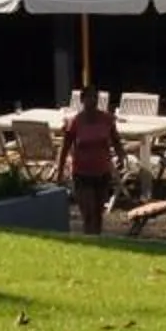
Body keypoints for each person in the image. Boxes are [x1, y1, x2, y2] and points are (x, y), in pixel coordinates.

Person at [55, 88, 120, 234]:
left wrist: (121, 155)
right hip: (82, 173)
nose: (93, 101)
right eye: (89, 98)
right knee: (88, 212)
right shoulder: (75, 122)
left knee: (98, 213)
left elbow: (116, 140)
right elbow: (64, 148)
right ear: (82, 100)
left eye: (95, 98)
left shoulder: (107, 119)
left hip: (102, 172)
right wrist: (59, 171)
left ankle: (97, 241)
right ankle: (88, 240)